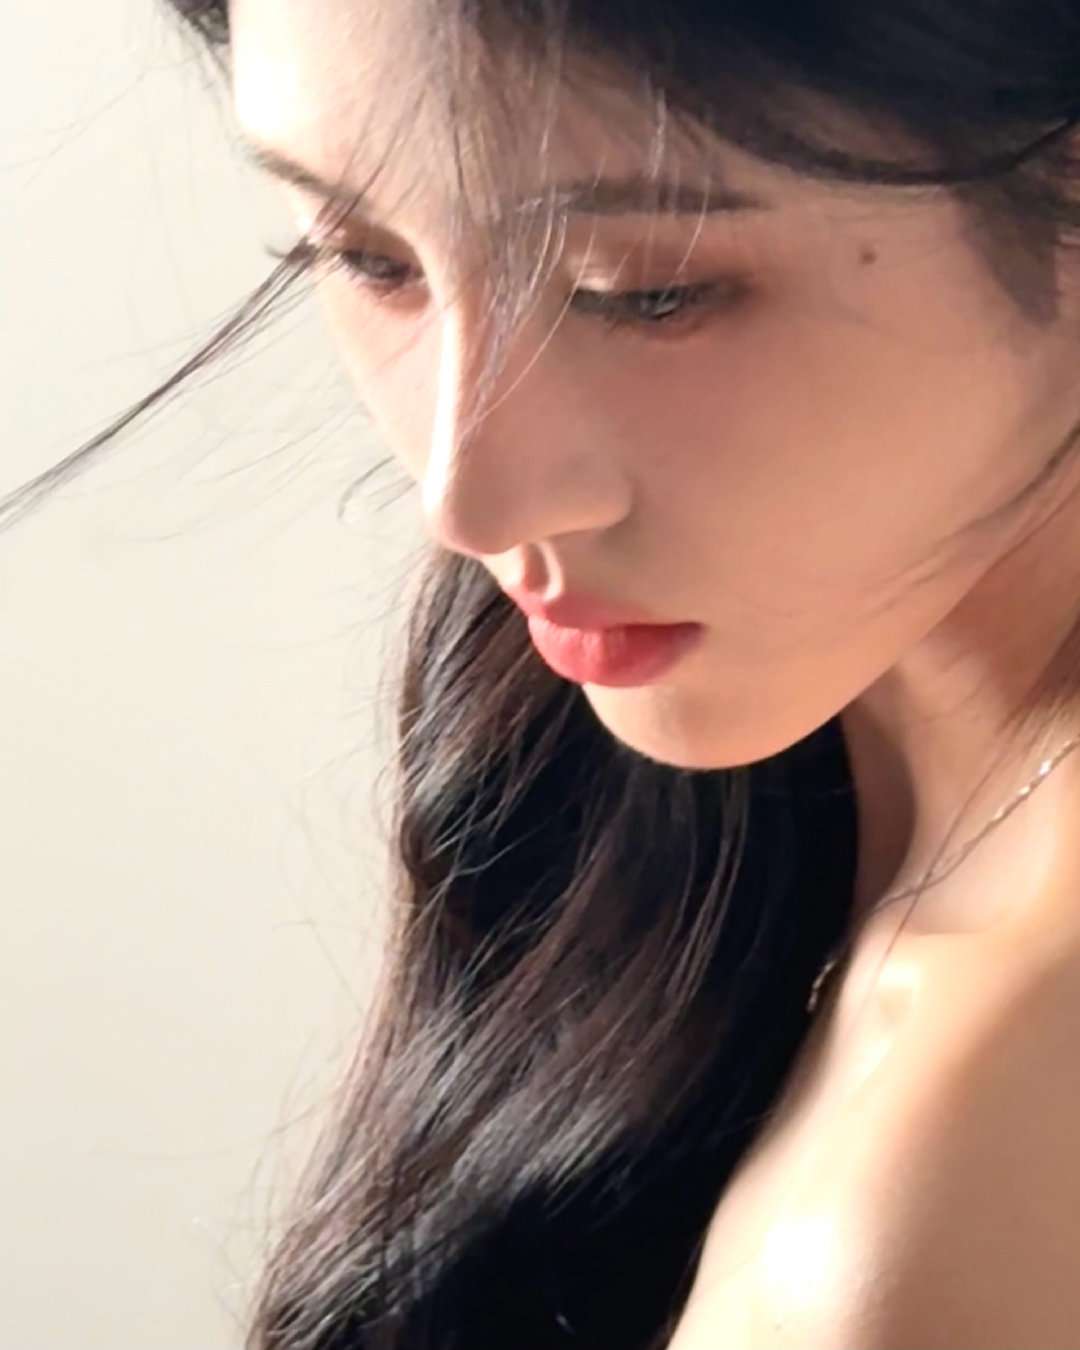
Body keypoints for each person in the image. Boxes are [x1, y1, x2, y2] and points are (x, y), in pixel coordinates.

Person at [23, 1, 1080, 1346]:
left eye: (649, 290)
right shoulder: (757, 782)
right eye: (365, 255)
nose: (466, 494)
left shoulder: (969, 1191)